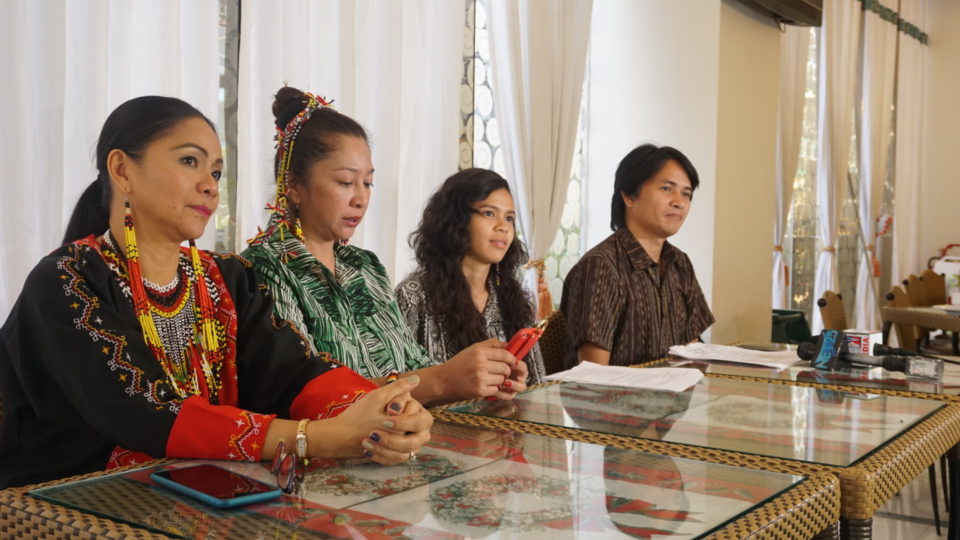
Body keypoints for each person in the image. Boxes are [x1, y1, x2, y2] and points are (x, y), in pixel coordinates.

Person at [0, 96, 431, 489]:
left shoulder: (226, 277)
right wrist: (313, 438)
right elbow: (148, 412)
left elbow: (293, 372)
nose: (210, 184)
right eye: (190, 161)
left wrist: (378, 411)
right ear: (122, 169)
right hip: (66, 505)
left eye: (217, 171)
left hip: (200, 493)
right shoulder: (68, 281)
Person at [242, 87, 527, 407]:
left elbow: (413, 362)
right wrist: (445, 380)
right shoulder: (263, 270)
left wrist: (476, 381)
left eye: (367, 183)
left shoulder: (364, 268)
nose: (361, 198)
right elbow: (309, 396)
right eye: (346, 182)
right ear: (293, 185)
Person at [561, 144, 714, 367]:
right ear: (629, 196)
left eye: (686, 194)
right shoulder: (600, 266)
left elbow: (692, 351)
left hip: (675, 396)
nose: (679, 202)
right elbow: (592, 373)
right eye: (666, 189)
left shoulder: (680, 263)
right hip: (612, 399)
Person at [395, 168, 545, 385]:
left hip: (507, 418)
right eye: (489, 213)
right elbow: (391, 386)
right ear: (456, 219)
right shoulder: (412, 296)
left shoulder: (513, 299)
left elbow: (537, 383)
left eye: (510, 218)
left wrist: (518, 383)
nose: (503, 227)